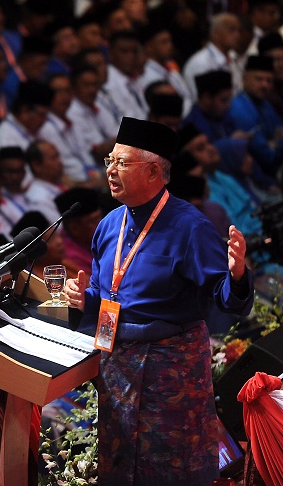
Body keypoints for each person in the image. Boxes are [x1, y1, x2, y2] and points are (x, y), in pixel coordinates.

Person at [63, 117, 254, 485]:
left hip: (171, 368)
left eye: (122, 163)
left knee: (170, 467)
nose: (111, 171)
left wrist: (238, 275)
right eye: (110, 161)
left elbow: (227, 301)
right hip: (117, 364)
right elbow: (104, 297)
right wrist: (80, 300)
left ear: (152, 171)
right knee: (120, 465)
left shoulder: (190, 227)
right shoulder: (109, 224)